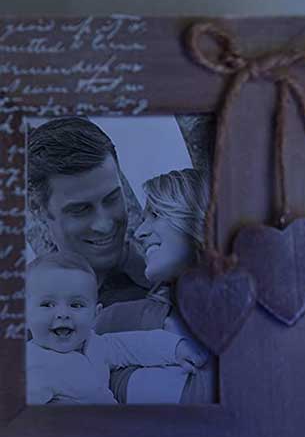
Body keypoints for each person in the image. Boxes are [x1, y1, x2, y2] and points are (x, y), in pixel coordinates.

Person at [97, 167, 216, 404]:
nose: (140, 232)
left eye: (156, 214)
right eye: (143, 219)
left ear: (200, 218)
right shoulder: (115, 320)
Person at [25, 253, 205, 406]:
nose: (63, 314)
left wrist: (176, 348)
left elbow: (138, 345)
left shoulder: (96, 344)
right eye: (47, 304)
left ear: (95, 315)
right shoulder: (33, 365)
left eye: (76, 305)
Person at [27, 117, 149, 307]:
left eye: (112, 198)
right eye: (81, 209)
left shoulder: (178, 275)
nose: (104, 225)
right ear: (38, 209)